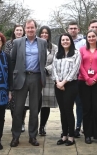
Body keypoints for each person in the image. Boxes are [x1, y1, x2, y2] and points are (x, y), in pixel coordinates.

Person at [10, 19, 47, 147]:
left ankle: (33, 136)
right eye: (28, 28)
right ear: (25, 29)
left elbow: (44, 60)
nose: (30, 30)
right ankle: (15, 137)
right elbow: (12, 60)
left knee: (34, 109)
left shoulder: (42, 42)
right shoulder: (17, 42)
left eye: (32, 27)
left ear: (35, 28)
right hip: (21, 77)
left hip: (36, 77)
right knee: (18, 109)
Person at [79, 29, 97, 144]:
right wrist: (87, 78)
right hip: (84, 83)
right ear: (86, 38)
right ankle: (88, 134)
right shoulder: (81, 50)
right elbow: (80, 66)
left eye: (93, 36)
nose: (91, 38)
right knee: (87, 109)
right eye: (89, 37)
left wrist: (94, 79)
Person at [52, 33, 81, 146]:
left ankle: (71, 136)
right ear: (60, 42)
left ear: (70, 41)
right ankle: (64, 135)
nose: (65, 41)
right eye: (63, 40)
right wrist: (58, 82)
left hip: (70, 85)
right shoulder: (57, 53)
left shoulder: (76, 53)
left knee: (68, 110)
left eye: (67, 39)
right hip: (58, 84)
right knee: (62, 110)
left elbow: (75, 70)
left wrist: (64, 82)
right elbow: (54, 68)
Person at [4, 24, 26, 132]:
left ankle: (22, 122)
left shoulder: (27, 43)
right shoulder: (9, 43)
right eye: (17, 30)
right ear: (14, 32)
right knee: (13, 101)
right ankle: (15, 122)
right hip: (12, 74)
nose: (18, 32)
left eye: (20, 30)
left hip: (24, 73)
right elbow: (8, 57)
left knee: (23, 101)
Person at [38, 26, 58, 136]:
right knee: (36, 103)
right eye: (42, 33)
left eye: (46, 33)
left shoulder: (54, 47)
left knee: (46, 104)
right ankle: (34, 126)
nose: (44, 35)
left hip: (48, 77)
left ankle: (42, 127)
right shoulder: (35, 45)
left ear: (49, 35)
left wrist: (46, 70)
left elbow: (55, 61)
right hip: (36, 77)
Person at [67, 21, 86, 138]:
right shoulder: (65, 41)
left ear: (78, 29)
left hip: (80, 78)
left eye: (75, 28)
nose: (73, 30)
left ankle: (78, 127)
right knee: (68, 105)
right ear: (68, 30)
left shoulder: (84, 42)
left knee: (80, 104)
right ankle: (69, 128)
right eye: (71, 28)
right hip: (67, 79)